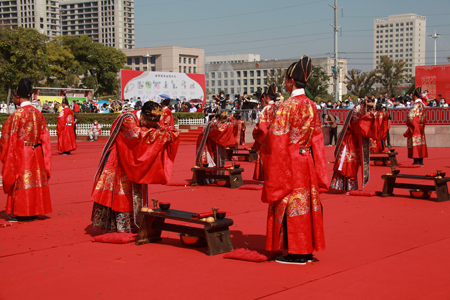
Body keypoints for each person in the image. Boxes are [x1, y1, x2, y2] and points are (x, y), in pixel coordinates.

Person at [261, 56, 329, 265]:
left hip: (289, 162)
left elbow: (277, 141)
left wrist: (273, 169)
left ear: (291, 81)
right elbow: (317, 139)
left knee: (289, 204)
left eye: (285, 80)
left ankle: (296, 252)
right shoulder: (311, 105)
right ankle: (306, 251)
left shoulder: (287, 106)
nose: (284, 83)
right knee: (305, 205)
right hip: (305, 160)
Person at [91, 101, 180, 232]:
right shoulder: (127, 119)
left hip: (135, 160)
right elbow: (138, 135)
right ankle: (117, 225)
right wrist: (162, 135)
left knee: (136, 191)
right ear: (142, 115)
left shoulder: (150, 121)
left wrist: (169, 132)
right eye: (148, 124)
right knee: (120, 191)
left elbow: (162, 129)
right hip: (119, 159)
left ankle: (135, 223)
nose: (151, 126)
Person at [0, 78, 52, 222]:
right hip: (37, 152)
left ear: (17, 96)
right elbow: (45, 137)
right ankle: (35, 210)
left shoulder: (17, 115)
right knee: (35, 181)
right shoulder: (38, 113)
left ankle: (23, 212)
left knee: (22, 181)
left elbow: (7, 136)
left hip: (23, 153)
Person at [330, 98, 389, 192]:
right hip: (348, 142)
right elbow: (361, 124)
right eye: (368, 108)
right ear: (362, 106)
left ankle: (350, 186)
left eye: (370, 108)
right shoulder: (355, 113)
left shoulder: (362, 114)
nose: (369, 110)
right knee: (346, 163)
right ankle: (342, 185)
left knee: (353, 164)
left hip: (356, 142)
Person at [252, 83, 277, 181]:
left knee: (265, 158)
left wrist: (256, 131)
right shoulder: (278, 108)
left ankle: (266, 178)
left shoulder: (266, 109)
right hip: (277, 137)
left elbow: (262, 126)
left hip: (267, 137)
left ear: (266, 97)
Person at [404, 87, 428, 166]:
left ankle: (416, 160)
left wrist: (409, 122)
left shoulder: (416, 105)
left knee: (415, 142)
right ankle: (420, 160)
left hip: (415, 126)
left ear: (415, 97)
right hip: (420, 127)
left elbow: (410, 116)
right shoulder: (422, 105)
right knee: (420, 142)